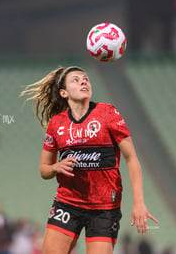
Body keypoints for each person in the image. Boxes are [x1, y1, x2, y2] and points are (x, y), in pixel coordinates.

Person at [20, 66, 158, 254]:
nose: (84, 81)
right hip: (68, 204)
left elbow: (131, 158)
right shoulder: (56, 124)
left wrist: (139, 202)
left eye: (85, 79)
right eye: (76, 80)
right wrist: (56, 167)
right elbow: (44, 170)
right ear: (64, 93)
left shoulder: (108, 113)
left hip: (104, 208)